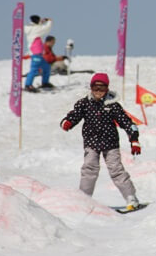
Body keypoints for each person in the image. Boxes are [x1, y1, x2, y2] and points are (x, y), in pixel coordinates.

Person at [60, 72, 142, 211]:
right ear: (91, 88)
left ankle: (131, 198)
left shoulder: (113, 105)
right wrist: (67, 122)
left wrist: (134, 139)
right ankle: (84, 199)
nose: (98, 92)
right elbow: (74, 115)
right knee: (89, 169)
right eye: (95, 88)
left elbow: (127, 122)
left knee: (116, 170)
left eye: (102, 88)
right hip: (91, 143)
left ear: (107, 89)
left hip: (111, 144)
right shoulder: (84, 103)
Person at [24, 15, 53, 92]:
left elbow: (39, 27)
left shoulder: (31, 28)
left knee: (47, 67)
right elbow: (46, 29)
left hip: (38, 54)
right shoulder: (35, 29)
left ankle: (45, 82)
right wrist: (49, 21)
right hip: (36, 53)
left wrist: (41, 22)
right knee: (34, 70)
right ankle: (28, 85)